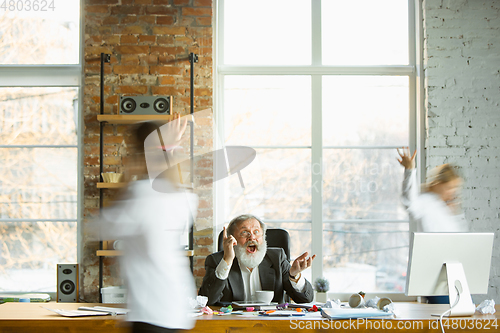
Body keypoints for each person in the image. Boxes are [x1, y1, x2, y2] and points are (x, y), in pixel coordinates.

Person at [99, 114, 198, 333]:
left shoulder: (140, 194)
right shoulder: (184, 197)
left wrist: (128, 176)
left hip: (151, 310)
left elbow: (101, 227)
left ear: (139, 153)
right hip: (176, 308)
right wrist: (169, 149)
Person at [199, 214, 315, 305]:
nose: (252, 237)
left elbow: (306, 299)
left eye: (256, 232)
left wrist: (295, 276)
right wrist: (227, 261)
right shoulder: (217, 261)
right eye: (244, 232)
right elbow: (207, 302)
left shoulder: (277, 258)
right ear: (232, 239)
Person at [397, 147, 468, 233]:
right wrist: (410, 170)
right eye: (449, 188)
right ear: (439, 184)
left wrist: (455, 214)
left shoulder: (447, 207)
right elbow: (410, 203)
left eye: (455, 188)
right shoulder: (426, 201)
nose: (452, 192)